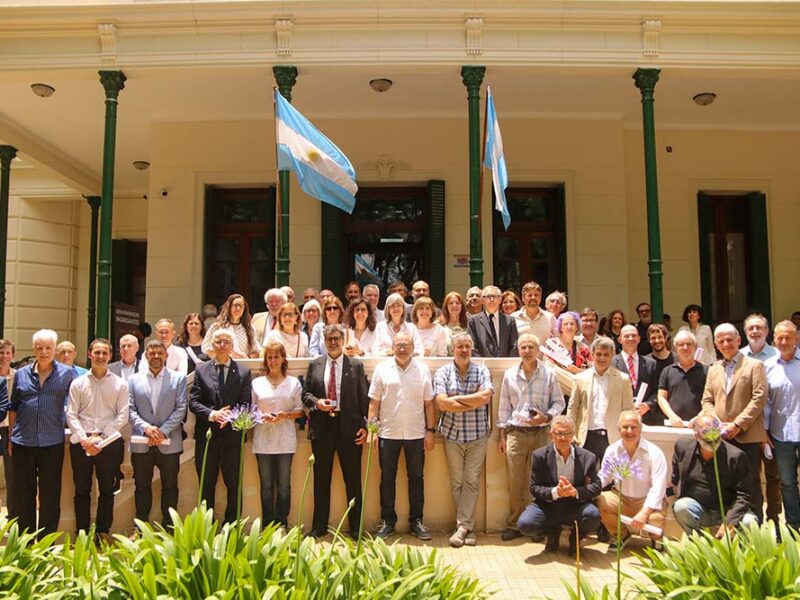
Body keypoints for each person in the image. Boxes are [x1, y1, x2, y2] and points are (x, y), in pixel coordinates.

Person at [7, 329, 76, 538]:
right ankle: (25, 542)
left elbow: (74, 405)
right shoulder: (21, 374)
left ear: (55, 350)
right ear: (34, 349)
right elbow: (14, 407)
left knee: (50, 495)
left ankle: (45, 544)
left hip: (51, 443)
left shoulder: (67, 374)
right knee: (23, 495)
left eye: (48, 348)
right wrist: (11, 437)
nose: (44, 352)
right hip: (22, 442)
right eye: (40, 348)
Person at [302, 324, 369, 538]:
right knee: (321, 479)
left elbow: (363, 399)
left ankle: (356, 529)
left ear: (343, 340)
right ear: (324, 341)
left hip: (349, 428)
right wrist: (316, 402)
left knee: (353, 480)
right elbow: (305, 394)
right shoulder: (315, 364)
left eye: (336, 339)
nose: (332, 342)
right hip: (323, 428)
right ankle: (319, 527)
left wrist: (366, 427)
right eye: (329, 339)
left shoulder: (355, 365)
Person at [497, 333, 564, 541]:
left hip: (542, 433)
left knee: (541, 481)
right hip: (516, 433)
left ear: (537, 350)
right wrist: (501, 435)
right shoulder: (509, 374)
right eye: (523, 347)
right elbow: (503, 407)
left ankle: (537, 525)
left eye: (531, 347)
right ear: (519, 350)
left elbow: (559, 403)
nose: (527, 351)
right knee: (515, 481)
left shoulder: (549, 374)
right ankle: (515, 523)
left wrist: (547, 416)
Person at [368, 333, 435, 540]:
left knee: (416, 478)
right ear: (392, 347)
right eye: (399, 345)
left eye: (406, 345)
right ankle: (388, 521)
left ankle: (416, 521)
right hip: (388, 433)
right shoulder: (382, 369)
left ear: (413, 347)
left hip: (416, 433)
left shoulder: (422, 370)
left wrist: (430, 431)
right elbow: (374, 403)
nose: (402, 348)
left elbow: (429, 403)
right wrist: (373, 431)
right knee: (387, 478)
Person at [701, 323, 768, 522]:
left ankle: (755, 529)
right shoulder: (713, 369)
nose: (726, 343)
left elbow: (759, 398)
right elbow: (707, 400)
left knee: (751, 484)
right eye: (721, 340)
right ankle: (729, 527)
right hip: (720, 437)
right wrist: (715, 423)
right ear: (715, 344)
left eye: (729, 339)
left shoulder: (754, 366)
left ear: (739, 340)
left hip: (746, 436)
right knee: (725, 483)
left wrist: (737, 425)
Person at [434, 333, 494, 548]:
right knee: (457, 481)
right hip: (452, 435)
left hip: (477, 435)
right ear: (453, 349)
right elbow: (442, 404)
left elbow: (485, 397)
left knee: (471, 480)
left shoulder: (482, 371)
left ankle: (462, 528)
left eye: (467, 346)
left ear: (472, 348)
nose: (464, 350)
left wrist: (455, 399)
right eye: (460, 346)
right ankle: (467, 527)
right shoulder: (443, 372)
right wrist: (473, 400)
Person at [66, 338, 129, 540]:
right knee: (82, 490)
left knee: (107, 490)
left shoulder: (120, 384)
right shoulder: (78, 383)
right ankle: (82, 534)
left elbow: (123, 415)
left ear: (111, 356)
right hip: (81, 444)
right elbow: (71, 414)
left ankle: (103, 532)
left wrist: (101, 438)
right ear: (89, 354)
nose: (101, 357)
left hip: (108, 444)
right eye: (97, 352)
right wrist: (86, 439)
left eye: (105, 353)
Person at [190, 327, 252, 523]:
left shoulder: (243, 372)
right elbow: (193, 402)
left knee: (233, 485)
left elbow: (246, 404)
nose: (222, 345)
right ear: (212, 345)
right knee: (205, 485)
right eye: (218, 341)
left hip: (232, 438)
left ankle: (232, 527)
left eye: (226, 342)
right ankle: (206, 526)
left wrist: (230, 417)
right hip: (206, 437)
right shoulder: (201, 370)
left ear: (232, 346)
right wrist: (212, 414)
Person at [517, 415, 601, 557]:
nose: (563, 438)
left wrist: (575, 491)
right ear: (551, 435)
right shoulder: (540, 456)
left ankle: (575, 538)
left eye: (567, 434)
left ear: (573, 435)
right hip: (549, 505)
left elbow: (596, 486)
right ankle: (552, 532)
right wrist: (556, 492)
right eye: (559, 433)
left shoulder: (588, 457)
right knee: (525, 524)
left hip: (575, 505)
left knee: (593, 516)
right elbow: (534, 487)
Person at [128, 339, 188, 528]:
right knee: (141, 487)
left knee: (170, 487)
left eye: (159, 353)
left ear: (166, 356)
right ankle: (141, 527)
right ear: (146, 355)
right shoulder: (134, 379)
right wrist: (147, 428)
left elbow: (181, 408)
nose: (155, 356)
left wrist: (161, 431)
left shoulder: (178, 379)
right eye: (152, 353)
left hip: (169, 442)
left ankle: (169, 527)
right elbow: (129, 409)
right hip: (141, 441)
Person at [671, 414, 758, 535]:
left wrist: (729, 521)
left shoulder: (736, 456)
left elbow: (744, 494)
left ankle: (736, 550)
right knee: (681, 507)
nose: (712, 443)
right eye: (708, 440)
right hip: (699, 509)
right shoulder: (683, 447)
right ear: (696, 436)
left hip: (727, 510)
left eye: (716, 438)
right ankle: (698, 544)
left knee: (749, 521)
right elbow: (675, 478)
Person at [251, 342, 305, 527]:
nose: (273, 361)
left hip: (285, 441)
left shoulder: (293, 383)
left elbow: (301, 411)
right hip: (263, 440)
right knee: (266, 486)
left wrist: (286, 415)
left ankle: (282, 523)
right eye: (270, 357)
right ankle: (267, 524)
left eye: (276, 357)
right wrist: (261, 416)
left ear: (283, 359)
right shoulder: (257, 383)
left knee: (283, 485)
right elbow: (249, 412)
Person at [597, 411, 667, 548]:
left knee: (655, 519)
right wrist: (588, 488)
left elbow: (658, 488)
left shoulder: (654, 452)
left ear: (641, 429)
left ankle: (656, 541)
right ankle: (622, 536)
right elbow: (604, 477)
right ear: (618, 429)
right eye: (625, 427)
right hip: (621, 498)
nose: (629, 431)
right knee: (600, 501)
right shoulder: (612, 450)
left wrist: (644, 513)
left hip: (646, 500)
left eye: (633, 427)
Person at [739, 313, 781, 525]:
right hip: (748, 429)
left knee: (774, 477)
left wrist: (766, 428)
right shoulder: (739, 357)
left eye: (759, 328)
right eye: (751, 329)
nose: (755, 332)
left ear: (766, 331)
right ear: (745, 333)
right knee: (752, 477)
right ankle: (755, 520)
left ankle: (774, 519)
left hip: (773, 428)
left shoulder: (777, 355)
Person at [567, 337, 634, 466]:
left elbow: (628, 411)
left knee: (611, 481)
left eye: (606, 355)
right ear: (592, 355)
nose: (602, 358)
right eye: (598, 354)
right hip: (585, 437)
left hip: (612, 437)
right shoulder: (580, 378)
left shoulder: (623, 379)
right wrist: (571, 432)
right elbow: (573, 408)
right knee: (585, 480)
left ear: (612, 355)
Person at [765, 321, 800, 530]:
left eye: (789, 337)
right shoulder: (768, 366)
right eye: (780, 338)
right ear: (774, 340)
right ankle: (794, 526)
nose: (784, 341)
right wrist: (765, 431)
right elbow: (765, 402)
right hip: (780, 435)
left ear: (796, 338)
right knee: (787, 483)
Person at [657, 330, 707, 427]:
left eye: (689, 344)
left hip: (700, 425)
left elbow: (712, 399)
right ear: (675, 348)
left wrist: (699, 417)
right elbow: (661, 397)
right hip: (673, 424)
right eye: (681, 344)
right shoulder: (667, 371)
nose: (685, 347)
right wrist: (672, 416)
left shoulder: (707, 371)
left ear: (695, 346)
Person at [612, 324, 659, 425]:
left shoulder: (651, 363)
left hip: (645, 419)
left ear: (638, 339)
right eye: (626, 336)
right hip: (619, 419)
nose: (630, 338)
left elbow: (657, 390)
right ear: (620, 339)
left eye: (633, 335)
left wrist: (648, 405)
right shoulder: (611, 363)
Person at [202, 293, 260, 359]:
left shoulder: (250, 329)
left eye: (241, 306)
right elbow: (207, 348)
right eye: (235, 305)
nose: (238, 308)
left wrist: (247, 357)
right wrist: (226, 357)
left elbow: (257, 351)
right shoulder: (217, 327)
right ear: (229, 307)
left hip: (242, 367)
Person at [467, 285, 518, 357]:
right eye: (488, 296)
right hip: (481, 365)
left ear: (500, 300)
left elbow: (514, 346)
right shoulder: (473, 321)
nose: (491, 299)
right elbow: (472, 346)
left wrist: (507, 364)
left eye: (494, 296)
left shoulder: (510, 320)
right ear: (483, 300)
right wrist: (482, 365)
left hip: (505, 365)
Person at [0, 339, 16, 515]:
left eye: (7, 353)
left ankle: (12, 517)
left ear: (12, 355)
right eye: (1, 353)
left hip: (11, 431)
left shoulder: (19, 376)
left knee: (12, 478)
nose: (4, 356)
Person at [439, 291, 469, 356]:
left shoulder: (469, 324)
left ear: (461, 306)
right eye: (451, 303)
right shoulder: (439, 326)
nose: (454, 305)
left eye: (457, 303)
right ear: (446, 306)